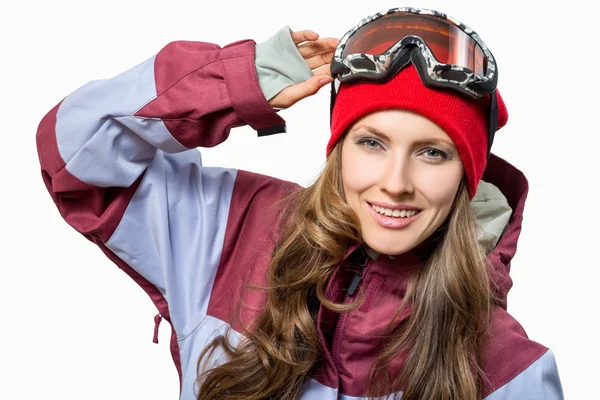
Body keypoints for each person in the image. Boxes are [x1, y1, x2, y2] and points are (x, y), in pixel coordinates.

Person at [36, 6, 563, 400]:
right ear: (337, 148)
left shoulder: (510, 368)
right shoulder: (234, 230)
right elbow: (76, 156)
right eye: (371, 143)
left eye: (432, 152)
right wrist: (239, 82)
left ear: (467, 177)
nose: (396, 183)